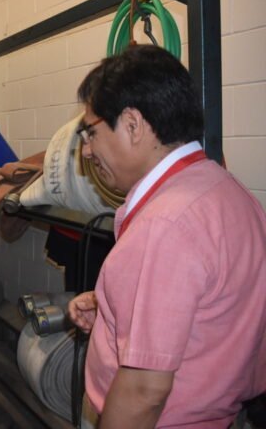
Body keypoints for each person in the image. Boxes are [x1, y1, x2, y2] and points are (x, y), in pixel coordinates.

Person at [67, 45, 266, 428]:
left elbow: (143, 391)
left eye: (91, 133)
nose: (87, 151)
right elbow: (217, 310)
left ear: (133, 124)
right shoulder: (229, 193)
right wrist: (115, 309)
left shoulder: (166, 225)